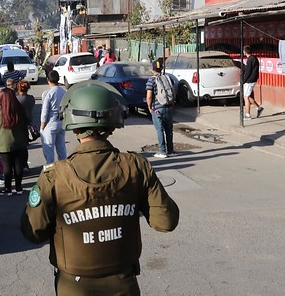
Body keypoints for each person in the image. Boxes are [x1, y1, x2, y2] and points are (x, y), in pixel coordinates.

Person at [21, 83, 179, 295]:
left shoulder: (54, 176)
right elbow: (165, 221)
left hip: (73, 287)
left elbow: (33, 232)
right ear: (113, 125)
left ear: (73, 126)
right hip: (124, 285)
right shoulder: (136, 166)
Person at [0, 88, 28, 196]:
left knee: (7, 166)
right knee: (18, 165)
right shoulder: (20, 108)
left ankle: (7, 188)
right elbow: (26, 122)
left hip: (3, 143)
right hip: (19, 142)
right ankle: (19, 188)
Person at [146, 60, 178, 158]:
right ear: (161, 69)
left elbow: (149, 96)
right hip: (168, 106)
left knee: (160, 130)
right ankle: (171, 151)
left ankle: (162, 151)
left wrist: (149, 107)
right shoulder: (167, 78)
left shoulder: (151, 80)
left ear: (152, 69)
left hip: (157, 108)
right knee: (169, 130)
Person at [40, 70, 67, 164]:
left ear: (48, 79)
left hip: (50, 123)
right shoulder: (64, 92)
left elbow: (45, 111)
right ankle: (64, 168)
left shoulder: (48, 93)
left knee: (49, 150)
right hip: (61, 122)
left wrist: (42, 126)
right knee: (61, 148)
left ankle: (51, 170)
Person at [16, 80, 36, 172]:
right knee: (24, 146)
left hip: (18, 124)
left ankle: (19, 165)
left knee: (18, 147)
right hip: (28, 123)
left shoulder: (17, 99)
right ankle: (25, 165)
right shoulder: (31, 98)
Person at [242, 45, 264, 120]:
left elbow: (248, 72)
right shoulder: (254, 58)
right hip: (252, 79)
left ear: (245, 52)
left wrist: (243, 81)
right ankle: (259, 108)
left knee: (246, 97)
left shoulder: (250, 59)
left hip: (250, 80)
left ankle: (248, 115)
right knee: (248, 96)